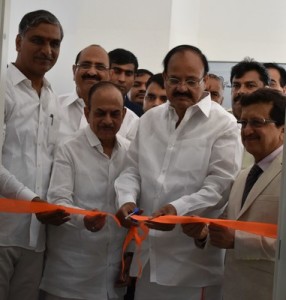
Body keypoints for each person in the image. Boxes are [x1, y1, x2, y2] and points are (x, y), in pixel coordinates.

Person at [115, 44, 243, 300]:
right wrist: (126, 199)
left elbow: (220, 186)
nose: (181, 87)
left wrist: (177, 209)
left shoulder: (223, 124)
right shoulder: (149, 120)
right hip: (148, 260)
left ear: (204, 81)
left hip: (192, 267)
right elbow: (131, 170)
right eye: (174, 80)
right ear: (164, 78)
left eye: (190, 80)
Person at [184, 88, 285, 300]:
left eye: (257, 122)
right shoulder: (242, 176)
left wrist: (238, 241)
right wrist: (203, 233)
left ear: (282, 129)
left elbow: (236, 238)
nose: (247, 130)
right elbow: (228, 228)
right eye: (243, 123)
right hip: (233, 290)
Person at [0, 10, 69, 300]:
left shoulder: (53, 96)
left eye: (54, 44)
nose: (47, 50)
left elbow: (52, 162)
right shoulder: (3, 89)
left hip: (37, 237)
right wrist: (33, 202)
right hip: (3, 231)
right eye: (38, 41)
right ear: (18, 41)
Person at [40, 81, 130, 300]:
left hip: (113, 280)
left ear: (124, 114)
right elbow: (58, 200)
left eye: (114, 114)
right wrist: (84, 219)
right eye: (100, 113)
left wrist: (129, 258)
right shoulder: (69, 149)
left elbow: (135, 203)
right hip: (70, 280)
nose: (107, 121)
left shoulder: (131, 151)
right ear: (87, 112)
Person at [58, 44, 110, 139]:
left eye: (100, 67)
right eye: (85, 65)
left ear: (109, 74)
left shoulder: (128, 121)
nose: (92, 72)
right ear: (74, 71)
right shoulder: (53, 106)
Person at [109, 48, 144, 117]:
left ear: (134, 78)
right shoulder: (86, 104)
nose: (122, 79)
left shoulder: (139, 113)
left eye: (128, 73)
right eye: (117, 71)